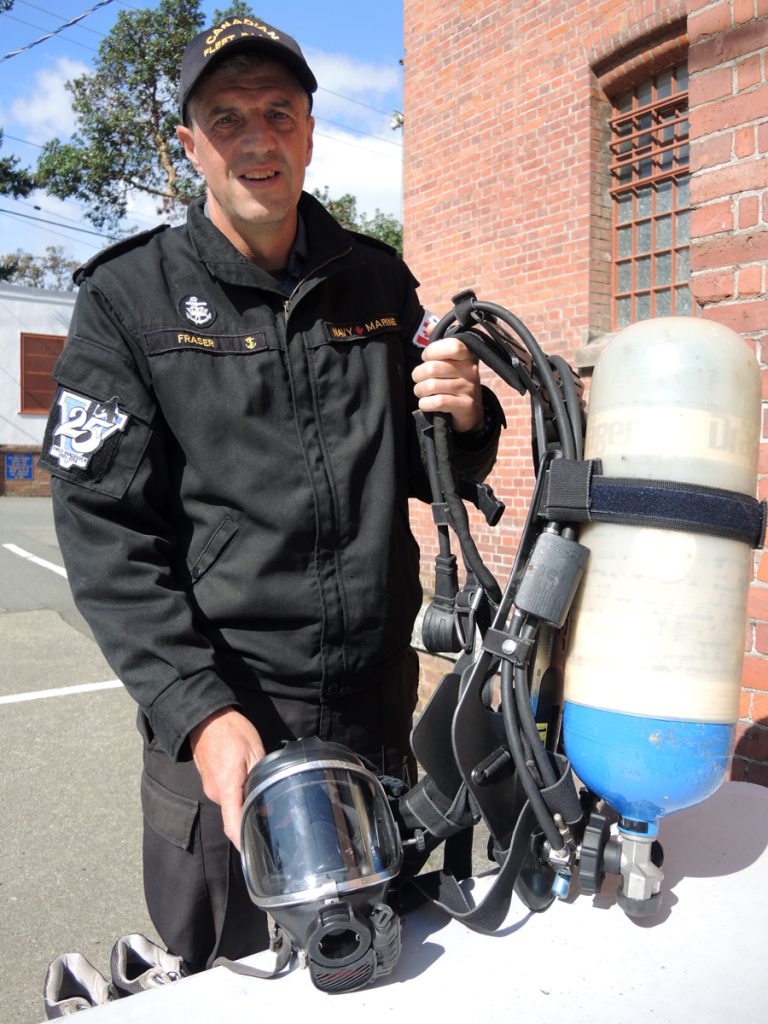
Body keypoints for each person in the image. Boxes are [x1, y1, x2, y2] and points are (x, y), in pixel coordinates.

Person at [41, 16, 502, 973]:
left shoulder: (377, 282)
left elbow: (436, 472)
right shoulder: (128, 301)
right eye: (228, 117)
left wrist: (465, 417)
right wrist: (198, 710)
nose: (258, 139)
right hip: (229, 727)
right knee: (233, 976)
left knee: (386, 967)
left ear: (309, 129)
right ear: (190, 143)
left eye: (279, 113)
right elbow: (104, 535)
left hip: (373, 722)